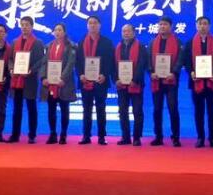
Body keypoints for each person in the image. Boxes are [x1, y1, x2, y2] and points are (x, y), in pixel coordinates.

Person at [182, 16, 213, 149]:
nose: (202, 26)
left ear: (209, 26)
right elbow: (186, 61)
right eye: (200, 24)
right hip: (196, 82)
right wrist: (191, 72)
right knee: (198, 111)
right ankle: (200, 138)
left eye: (205, 24)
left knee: (212, 111)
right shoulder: (190, 43)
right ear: (196, 26)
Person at [76, 16, 115, 145]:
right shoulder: (81, 42)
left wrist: (105, 74)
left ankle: (101, 136)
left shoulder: (107, 42)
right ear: (87, 25)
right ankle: (86, 136)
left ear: (100, 25)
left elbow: (110, 61)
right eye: (90, 23)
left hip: (100, 81)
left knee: (101, 109)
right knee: (86, 110)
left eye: (95, 23)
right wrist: (80, 74)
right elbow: (78, 62)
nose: (92, 25)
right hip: (85, 81)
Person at [8, 16, 44, 144]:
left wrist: (31, 70)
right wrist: (11, 69)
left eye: (27, 25)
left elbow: (41, 60)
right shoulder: (14, 42)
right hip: (16, 79)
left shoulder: (38, 42)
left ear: (32, 26)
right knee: (16, 108)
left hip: (30, 80)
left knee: (31, 108)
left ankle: (32, 135)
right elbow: (10, 59)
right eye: (22, 24)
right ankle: (15, 135)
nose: (24, 27)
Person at [149, 17, 183, 147]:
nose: (162, 27)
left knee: (173, 108)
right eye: (160, 24)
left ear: (171, 26)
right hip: (157, 81)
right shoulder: (153, 42)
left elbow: (180, 60)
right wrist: (151, 72)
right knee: (157, 109)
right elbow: (148, 60)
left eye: (165, 24)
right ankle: (158, 137)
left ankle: (175, 137)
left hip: (171, 82)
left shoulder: (177, 42)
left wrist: (174, 72)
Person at [40, 23, 77, 144]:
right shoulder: (49, 46)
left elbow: (70, 64)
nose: (57, 32)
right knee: (51, 110)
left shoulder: (71, 46)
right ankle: (52, 134)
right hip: (50, 84)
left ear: (64, 32)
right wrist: (43, 77)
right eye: (55, 30)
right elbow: (44, 63)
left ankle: (63, 134)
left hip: (64, 84)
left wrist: (63, 78)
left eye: (60, 30)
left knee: (64, 109)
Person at [114, 24, 147, 146]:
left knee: (137, 111)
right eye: (124, 31)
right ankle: (126, 137)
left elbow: (142, 64)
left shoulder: (141, 47)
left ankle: (137, 137)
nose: (126, 33)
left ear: (134, 33)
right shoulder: (118, 47)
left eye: (128, 31)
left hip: (136, 84)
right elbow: (114, 65)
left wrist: (135, 79)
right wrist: (116, 79)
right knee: (122, 111)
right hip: (122, 85)